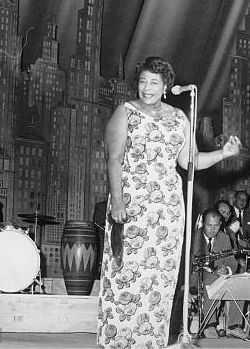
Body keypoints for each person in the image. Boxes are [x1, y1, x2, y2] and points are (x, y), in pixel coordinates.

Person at [97, 56, 241, 349]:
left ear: (166, 86)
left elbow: (191, 161)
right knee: (125, 273)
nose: (146, 87)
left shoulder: (179, 118)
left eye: (154, 82)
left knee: (159, 276)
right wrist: (117, 201)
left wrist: (223, 154)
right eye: (142, 81)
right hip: (132, 204)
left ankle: (152, 341)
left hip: (168, 210)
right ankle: (119, 341)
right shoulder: (125, 112)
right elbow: (113, 159)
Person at [190, 209, 235, 339]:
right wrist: (184, 287)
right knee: (211, 280)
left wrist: (227, 269)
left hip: (218, 276)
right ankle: (209, 324)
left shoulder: (225, 238)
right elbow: (185, 265)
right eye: (209, 225)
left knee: (239, 282)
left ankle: (234, 326)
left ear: (221, 224)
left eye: (216, 225)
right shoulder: (193, 238)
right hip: (196, 276)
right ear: (203, 223)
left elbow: (232, 261)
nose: (212, 229)